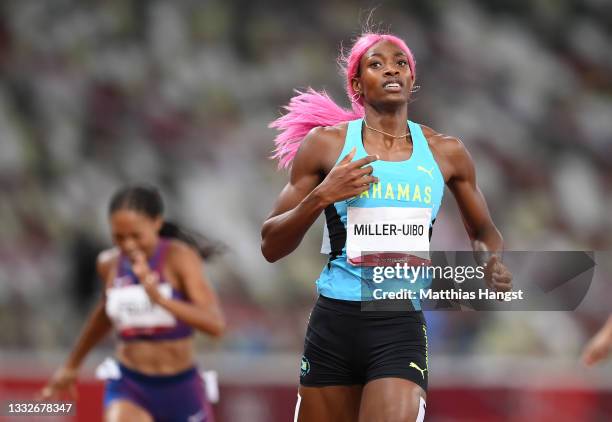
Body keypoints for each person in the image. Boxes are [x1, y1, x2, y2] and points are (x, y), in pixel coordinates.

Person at [261, 31, 512, 422]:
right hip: (334, 324)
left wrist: (489, 260)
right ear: (358, 85)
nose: (391, 69)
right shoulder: (325, 146)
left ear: (412, 80)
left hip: (399, 325)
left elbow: (483, 230)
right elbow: (271, 246)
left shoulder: (446, 152)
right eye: (376, 64)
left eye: (401, 63)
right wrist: (323, 196)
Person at [41, 185, 225, 422]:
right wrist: (71, 365)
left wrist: (161, 300)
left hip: (181, 389)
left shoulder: (179, 258)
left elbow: (214, 325)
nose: (128, 245)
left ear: (157, 223)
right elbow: (104, 314)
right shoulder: (109, 264)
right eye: (118, 236)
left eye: (136, 236)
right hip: (131, 386)